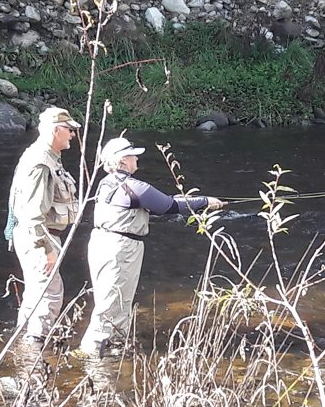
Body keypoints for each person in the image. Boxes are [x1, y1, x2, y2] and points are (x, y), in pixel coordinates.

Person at [77, 136, 224, 356]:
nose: (137, 158)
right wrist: (205, 201)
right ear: (123, 160)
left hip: (101, 243)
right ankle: (95, 354)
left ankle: (116, 347)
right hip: (121, 249)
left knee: (111, 298)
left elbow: (159, 203)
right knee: (113, 301)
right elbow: (168, 206)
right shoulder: (135, 187)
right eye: (133, 155)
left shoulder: (106, 183)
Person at [7, 106, 81, 342]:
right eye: (69, 130)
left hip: (39, 236)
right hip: (39, 238)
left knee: (35, 296)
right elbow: (31, 213)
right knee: (50, 295)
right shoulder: (40, 164)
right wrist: (46, 248)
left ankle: (23, 349)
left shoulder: (46, 157)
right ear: (55, 131)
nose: (72, 135)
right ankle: (35, 356)